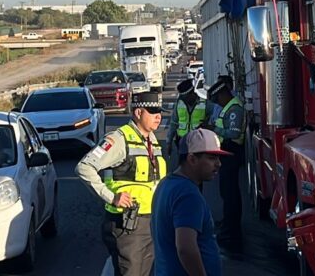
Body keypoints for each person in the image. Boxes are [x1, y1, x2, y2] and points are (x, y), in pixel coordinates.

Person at [76, 91, 168, 276]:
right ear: (138, 113)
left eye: (160, 111)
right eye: (153, 111)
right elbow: (84, 167)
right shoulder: (118, 140)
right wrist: (111, 197)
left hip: (151, 221)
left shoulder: (151, 139)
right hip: (128, 224)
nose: (159, 116)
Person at [151, 128, 228, 276]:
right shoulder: (188, 195)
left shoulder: (166, 184)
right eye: (212, 158)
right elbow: (185, 248)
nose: (219, 164)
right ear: (192, 159)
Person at [206, 75, 245, 250]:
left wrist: (214, 129)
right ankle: (228, 225)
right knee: (225, 191)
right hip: (225, 153)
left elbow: (235, 133)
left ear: (223, 95)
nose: (218, 104)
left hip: (232, 152)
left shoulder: (235, 108)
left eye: (218, 100)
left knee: (230, 194)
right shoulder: (228, 107)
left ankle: (232, 230)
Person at [168, 78, 207, 157]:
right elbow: (174, 123)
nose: (183, 100)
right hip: (182, 141)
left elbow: (212, 120)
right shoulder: (180, 103)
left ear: (192, 93)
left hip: (198, 141)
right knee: (184, 165)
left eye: (185, 97)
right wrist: (169, 142)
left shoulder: (205, 103)